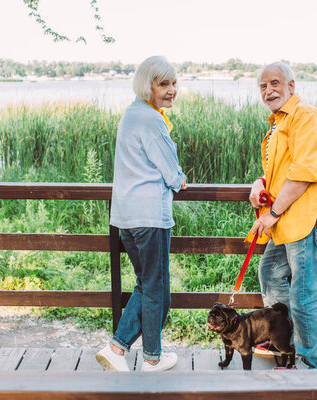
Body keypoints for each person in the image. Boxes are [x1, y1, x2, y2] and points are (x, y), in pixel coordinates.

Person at [96, 55, 187, 372]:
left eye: (173, 83)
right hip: (149, 216)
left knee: (148, 285)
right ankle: (137, 354)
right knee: (156, 288)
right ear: (147, 85)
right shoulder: (150, 119)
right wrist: (179, 178)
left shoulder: (132, 113)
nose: (171, 90)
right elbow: (172, 173)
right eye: (164, 84)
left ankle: (135, 352)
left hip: (127, 216)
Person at [248, 62, 317, 369]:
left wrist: (271, 213)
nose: (268, 90)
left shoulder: (304, 116)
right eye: (263, 86)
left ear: (291, 86)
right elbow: (282, 169)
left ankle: (311, 363)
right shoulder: (278, 122)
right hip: (288, 220)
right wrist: (259, 182)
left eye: (275, 83)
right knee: (270, 271)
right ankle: (282, 341)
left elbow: (303, 173)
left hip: (305, 219)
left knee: (304, 295)